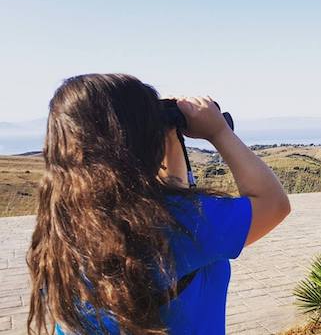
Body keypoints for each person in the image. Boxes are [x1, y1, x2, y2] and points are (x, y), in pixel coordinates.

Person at [26, 74, 291, 334]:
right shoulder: (178, 225)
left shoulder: (61, 231)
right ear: (139, 141)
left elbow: (174, 194)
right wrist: (219, 131)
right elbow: (273, 204)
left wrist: (171, 138)